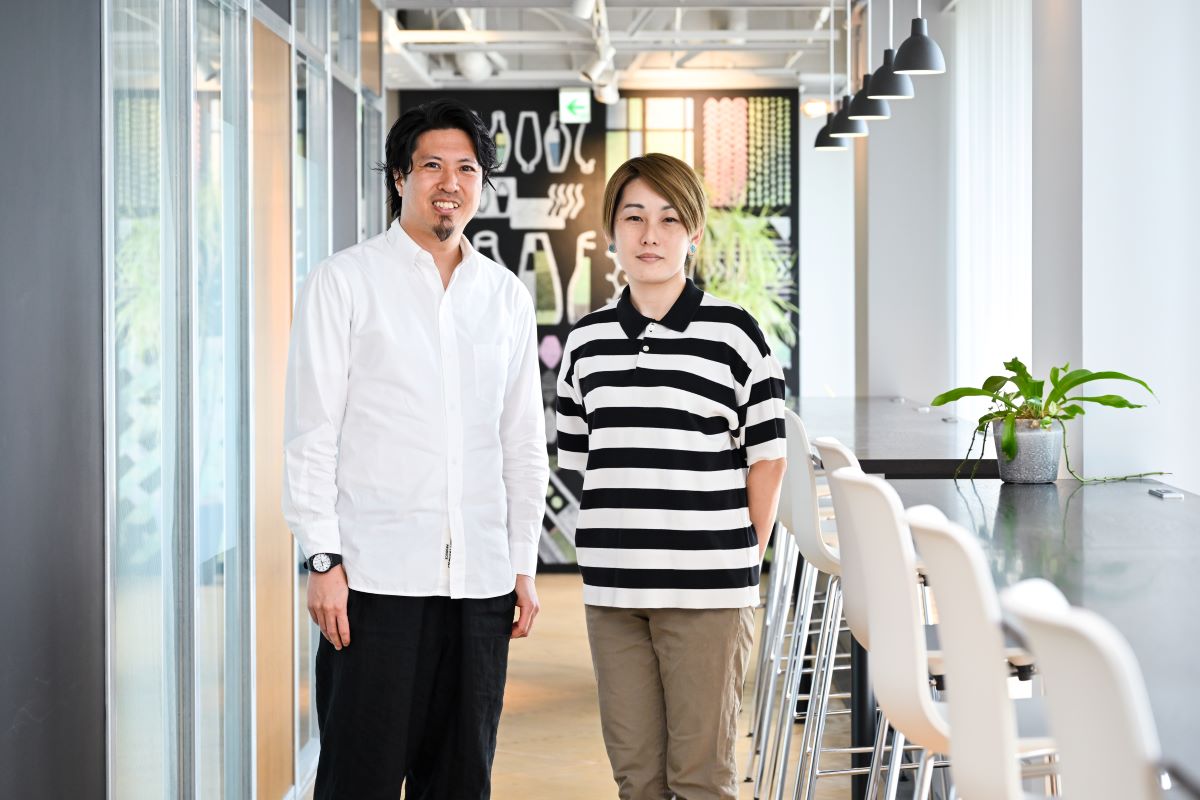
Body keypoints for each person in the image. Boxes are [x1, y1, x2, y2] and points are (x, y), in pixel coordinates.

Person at [282, 98, 550, 800]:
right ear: (401, 177)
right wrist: (321, 559)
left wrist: (522, 563)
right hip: (374, 584)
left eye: (466, 168)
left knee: (461, 781)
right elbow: (312, 433)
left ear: (481, 184)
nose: (449, 182)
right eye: (432, 165)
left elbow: (522, 441)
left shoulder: (505, 297)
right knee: (357, 781)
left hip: (481, 587)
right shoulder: (345, 281)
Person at [556, 153, 788, 800]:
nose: (650, 235)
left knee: (701, 778)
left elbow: (768, 458)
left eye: (668, 219)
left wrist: (742, 559)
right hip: (613, 593)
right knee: (637, 778)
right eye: (634, 218)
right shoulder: (586, 342)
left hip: (708, 591)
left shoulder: (735, 335)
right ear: (612, 231)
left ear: (694, 233)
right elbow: (580, 459)